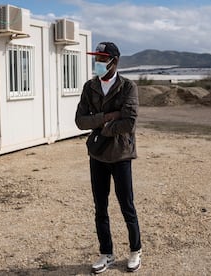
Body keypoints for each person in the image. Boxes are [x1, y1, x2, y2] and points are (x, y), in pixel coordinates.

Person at [75, 42, 142, 274]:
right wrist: (107, 117)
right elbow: (80, 121)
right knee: (100, 207)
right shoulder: (90, 86)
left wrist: (103, 128)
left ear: (115, 61)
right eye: (97, 58)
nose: (99, 63)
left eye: (103, 59)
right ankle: (107, 253)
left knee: (127, 206)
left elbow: (129, 122)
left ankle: (135, 251)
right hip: (97, 155)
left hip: (121, 154)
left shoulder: (128, 87)